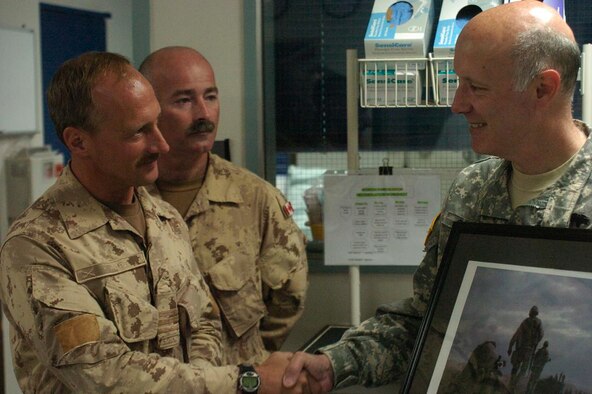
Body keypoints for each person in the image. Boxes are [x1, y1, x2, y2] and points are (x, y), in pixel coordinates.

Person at [282, 2, 587, 392]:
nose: (458, 104)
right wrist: (335, 362)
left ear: (543, 88)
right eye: (457, 82)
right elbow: (427, 321)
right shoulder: (472, 190)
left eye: (476, 87)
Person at [0, 51, 301, 393]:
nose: (161, 143)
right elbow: (106, 374)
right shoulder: (37, 246)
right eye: (138, 133)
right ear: (78, 141)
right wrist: (245, 382)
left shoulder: (164, 218)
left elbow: (204, 322)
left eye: (157, 122)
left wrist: (201, 381)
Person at [139, 46, 309, 365]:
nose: (204, 114)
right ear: (150, 110)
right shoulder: (125, 199)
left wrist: (247, 359)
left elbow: (290, 294)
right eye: (184, 100)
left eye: (211, 97)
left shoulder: (256, 199)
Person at [508, 306, 544, 388]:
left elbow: (516, 334)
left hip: (521, 348)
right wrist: (535, 341)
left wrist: (510, 346)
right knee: (523, 369)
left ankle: (511, 383)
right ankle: (514, 384)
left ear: (531, 312)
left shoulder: (525, 322)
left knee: (516, 366)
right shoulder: (539, 323)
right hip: (529, 350)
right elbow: (541, 335)